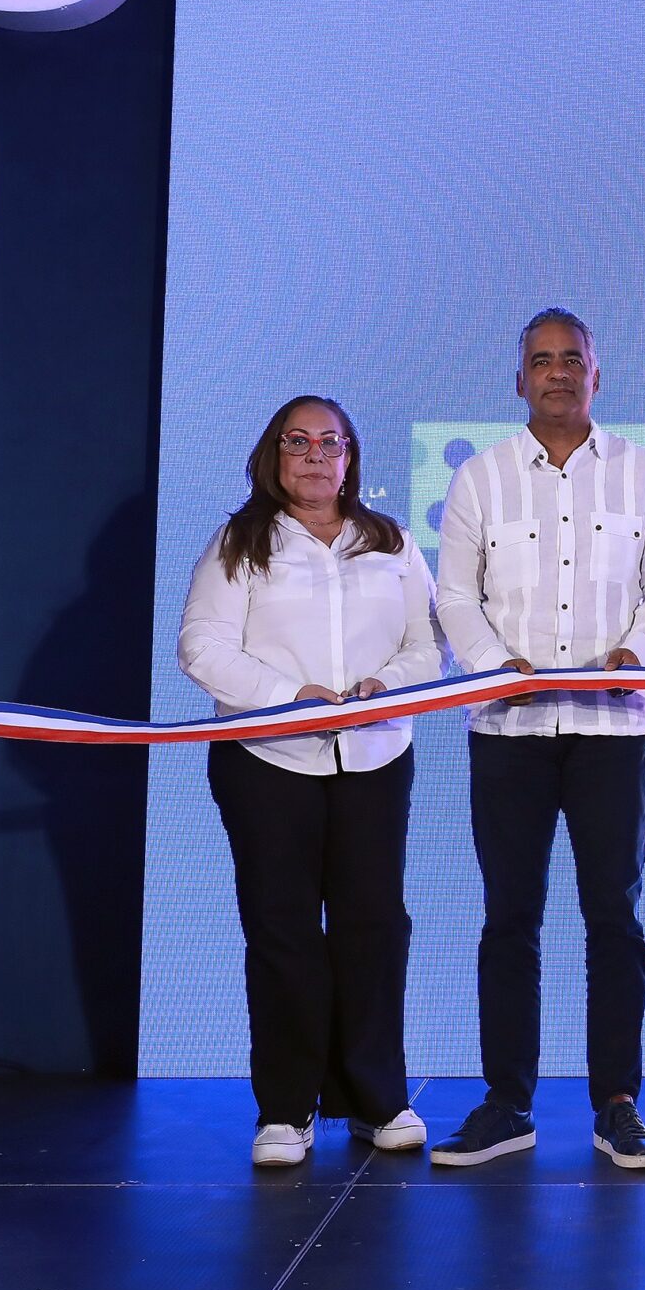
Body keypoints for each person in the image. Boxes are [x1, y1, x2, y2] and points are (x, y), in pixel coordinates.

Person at [428, 309, 645, 1171]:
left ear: (595, 375)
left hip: (613, 726)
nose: (557, 372)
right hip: (511, 729)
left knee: (615, 915)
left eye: (572, 358)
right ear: (519, 379)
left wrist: (635, 652)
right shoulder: (481, 478)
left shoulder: (643, 471)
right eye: (541, 360)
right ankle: (507, 1103)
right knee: (510, 916)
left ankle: (618, 1104)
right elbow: (454, 595)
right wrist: (493, 664)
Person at [177, 395, 442, 1169]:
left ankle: (376, 1099)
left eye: (331, 441)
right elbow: (201, 646)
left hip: (374, 756)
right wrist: (288, 697)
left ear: (351, 457)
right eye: (299, 441)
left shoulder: (390, 542)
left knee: (375, 926)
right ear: (275, 455)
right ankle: (287, 1109)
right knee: (282, 929)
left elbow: (429, 646)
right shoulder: (239, 541)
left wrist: (384, 686)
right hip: (268, 759)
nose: (316, 454)